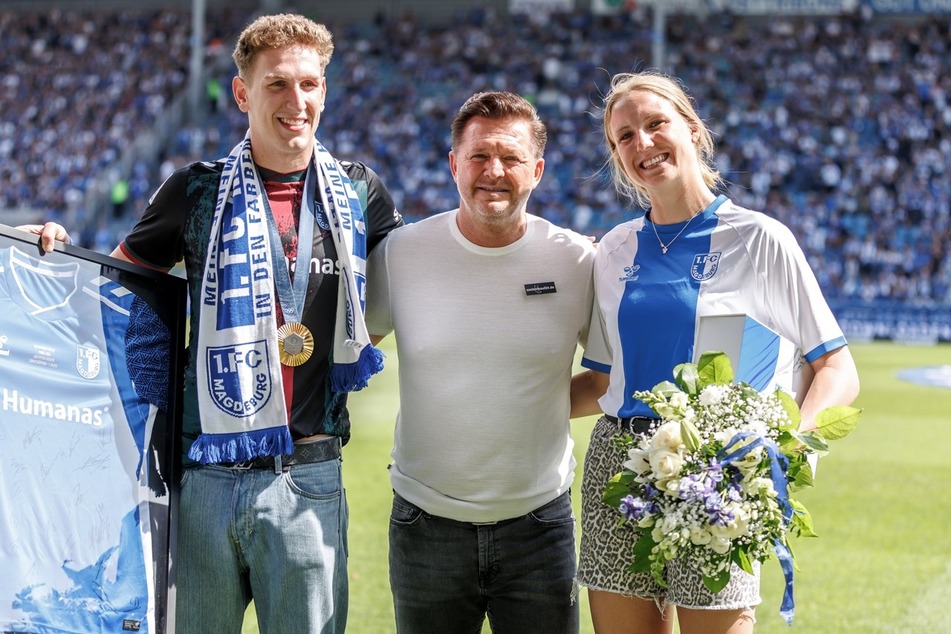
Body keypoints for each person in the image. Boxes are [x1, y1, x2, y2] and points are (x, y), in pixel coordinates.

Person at [25, 13, 402, 633]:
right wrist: (54, 254)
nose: (296, 101)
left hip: (309, 473)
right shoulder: (196, 191)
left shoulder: (361, 193)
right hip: (205, 479)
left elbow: (408, 286)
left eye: (310, 84)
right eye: (277, 84)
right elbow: (112, 288)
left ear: (325, 92)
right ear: (241, 92)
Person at [569, 70, 861, 634]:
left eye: (656, 124)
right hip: (617, 468)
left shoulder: (759, 239)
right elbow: (605, 384)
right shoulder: (612, 250)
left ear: (694, 129)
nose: (643, 143)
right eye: (624, 136)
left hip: (715, 473)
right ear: (615, 156)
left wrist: (783, 453)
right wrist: (501, 401)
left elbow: (835, 367)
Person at [365, 91, 595, 633]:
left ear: (536, 171)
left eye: (511, 159)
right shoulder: (400, 255)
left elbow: (610, 378)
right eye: (479, 156)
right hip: (425, 526)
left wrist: (527, 405)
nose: (494, 171)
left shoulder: (577, 259)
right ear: (453, 164)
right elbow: (351, 351)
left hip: (540, 524)